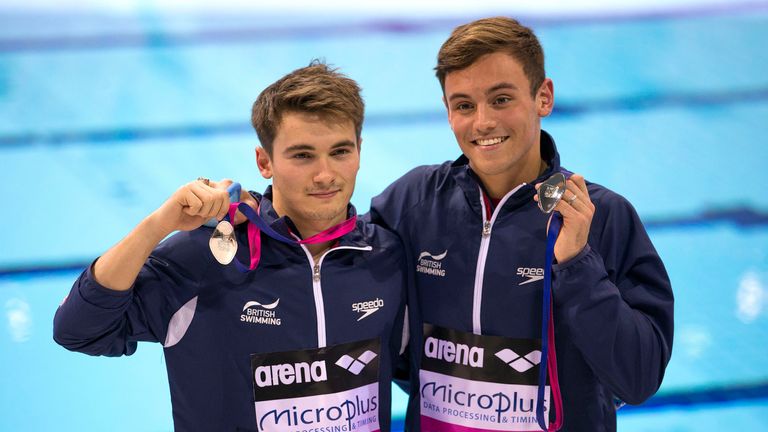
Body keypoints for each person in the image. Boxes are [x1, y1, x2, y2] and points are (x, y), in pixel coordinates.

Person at [53, 62, 406, 432]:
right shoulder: (205, 258)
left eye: (340, 152)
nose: (325, 174)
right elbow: (79, 329)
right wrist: (159, 224)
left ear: (360, 150)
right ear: (264, 161)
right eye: (302, 155)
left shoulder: (384, 257)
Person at [368, 17, 674, 431]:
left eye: (500, 99)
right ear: (447, 111)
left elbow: (639, 378)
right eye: (464, 105)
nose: (482, 123)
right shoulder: (415, 202)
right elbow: (333, 267)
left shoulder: (602, 217)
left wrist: (577, 265)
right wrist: (261, 220)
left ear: (543, 97)